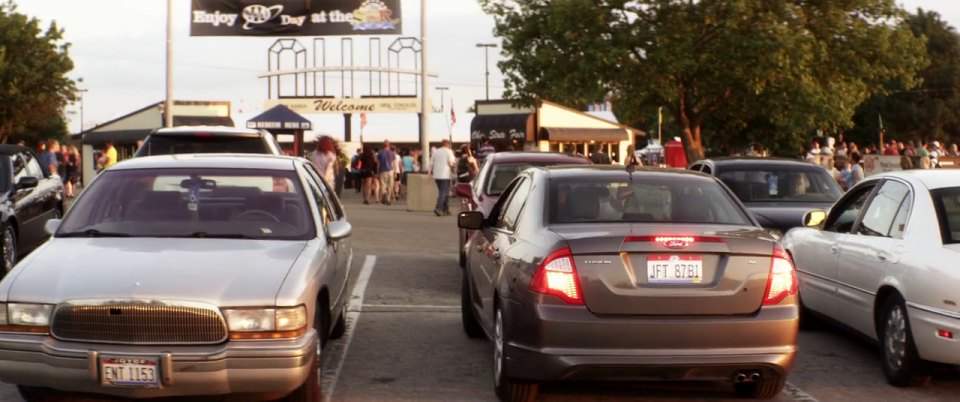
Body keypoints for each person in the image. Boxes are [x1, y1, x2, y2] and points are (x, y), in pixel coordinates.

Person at [430, 139, 456, 216]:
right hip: (445, 174)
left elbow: (431, 162)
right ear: (448, 144)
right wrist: (453, 168)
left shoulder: (436, 152)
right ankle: (438, 208)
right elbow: (451, 162)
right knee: (443, 192)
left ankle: (446, 209)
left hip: (436, 175)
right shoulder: (449, 151)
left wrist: (429, 172)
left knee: (444, 192)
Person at [377, 140, 398, 205]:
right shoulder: (392, 153)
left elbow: (378, 163)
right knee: (390, 185)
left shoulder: (380, 153)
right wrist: (395, 172)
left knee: (383, 185)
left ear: (383, 145)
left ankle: (384, 194)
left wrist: (377, 172)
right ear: (389, 145)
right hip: (390, 171)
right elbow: (394, 163)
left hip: (382, 171)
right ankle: (388, 199)